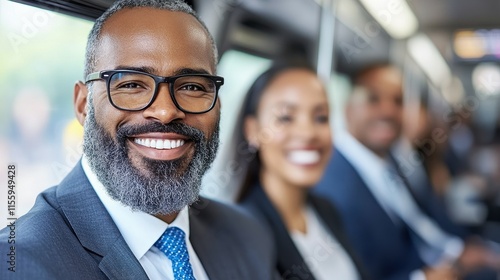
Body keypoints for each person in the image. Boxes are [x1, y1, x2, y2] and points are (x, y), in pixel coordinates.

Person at [0, 1, 277, 279]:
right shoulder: (21, 264)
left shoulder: (248, 237)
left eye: (192, 86)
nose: (166, 111)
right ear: (84, 105)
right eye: (131, 84)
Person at [314, 63, 500, 280]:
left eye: (398, 101)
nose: (388, 111)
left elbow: (421, 225)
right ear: (347, 107)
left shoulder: (392, 159)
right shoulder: (330, 180)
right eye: (373, 99)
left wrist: (459, 251)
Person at [229, 64, 368, 280]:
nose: (308, 133)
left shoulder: (327, 210)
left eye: (321, 117)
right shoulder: (241, 235)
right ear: (252, 130)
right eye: (285, 118)